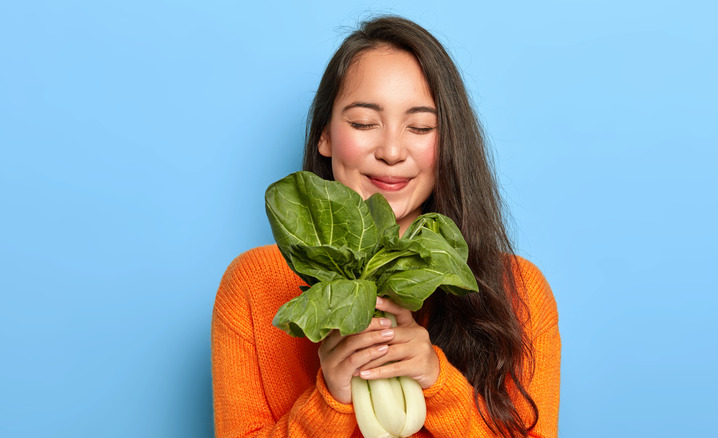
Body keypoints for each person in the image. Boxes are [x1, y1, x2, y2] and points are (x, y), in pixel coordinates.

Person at [211, 16, 560, 438]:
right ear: (325, 135)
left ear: (448, 143)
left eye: (420, 127)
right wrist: (331, 401)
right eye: (363, 123)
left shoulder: (519, 290)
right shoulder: (253, 286)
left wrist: (438, 383)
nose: (392, 151)